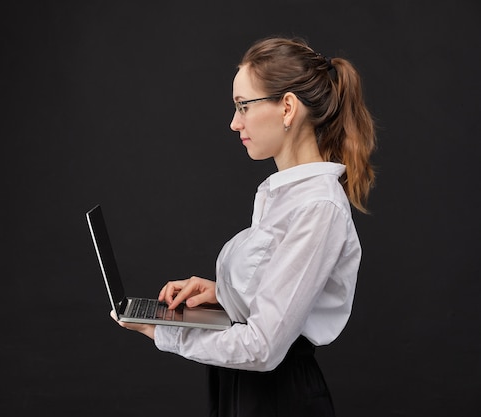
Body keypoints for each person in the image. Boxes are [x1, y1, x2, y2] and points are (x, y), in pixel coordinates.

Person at [111, 36, 376, 417]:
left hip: (278, 399)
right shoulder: (283, 195)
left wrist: (167, 333)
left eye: (243, 106)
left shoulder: (318, 207)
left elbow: (263, 346)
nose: (235, 122)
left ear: (287, 108)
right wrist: (224, 293)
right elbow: (278, 297)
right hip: (245, 389)